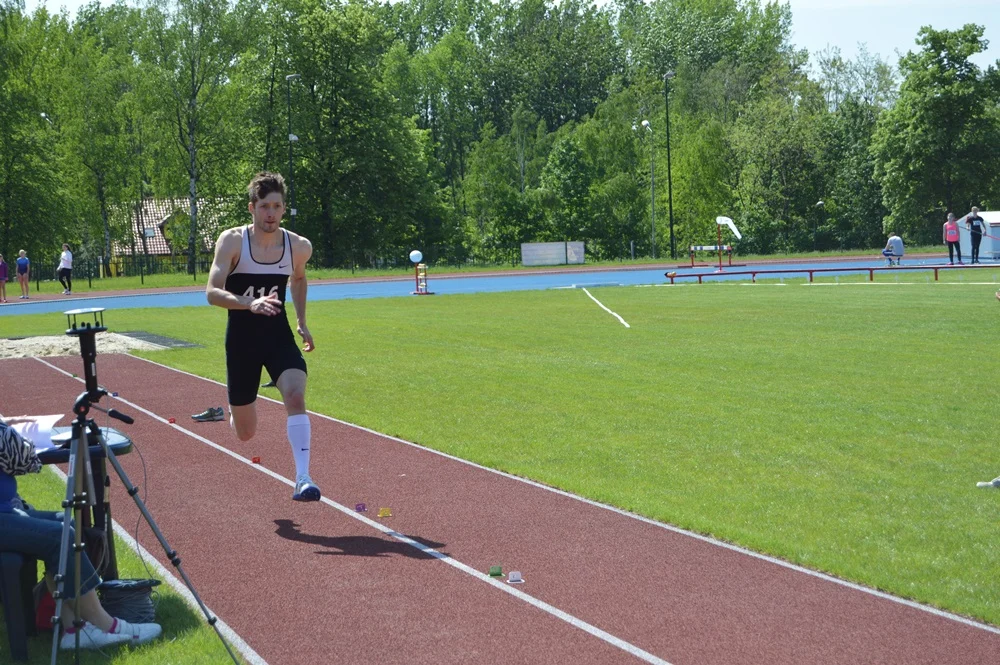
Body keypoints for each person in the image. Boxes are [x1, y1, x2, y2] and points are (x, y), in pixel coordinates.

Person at [205, 172, 319, 501]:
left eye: (277, 206)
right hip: (242, 341)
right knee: (245, 433)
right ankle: (233, 410)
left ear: (284, 209)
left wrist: (301, 321)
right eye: (265, 206)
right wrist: (249, 303)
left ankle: (303, 478)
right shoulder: (232, 241)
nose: (271, 213)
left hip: (277, 336)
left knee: (295, 396)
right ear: (252, 208)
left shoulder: (298, 247)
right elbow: (212, 292)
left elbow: (299, 279)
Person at [0, 418, 162, 649]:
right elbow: (22, 458)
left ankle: (73, 629)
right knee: (59, 536)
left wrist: (8, 425)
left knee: (66, 522)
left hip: (7, 509)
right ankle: (108, 625)